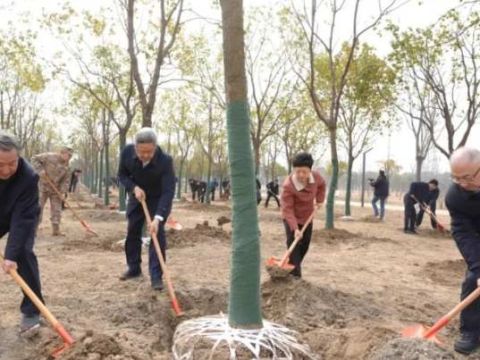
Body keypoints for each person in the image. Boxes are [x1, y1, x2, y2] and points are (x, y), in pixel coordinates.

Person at [117, 127, 175, 290]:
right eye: (141, 152)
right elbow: (122, 175)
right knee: (133, 230)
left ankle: (156, 276)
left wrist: (158, 218)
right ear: (135, 147)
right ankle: (134, 268)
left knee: (157, 234)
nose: (145, 156)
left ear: (155, 147)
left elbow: (168, 191)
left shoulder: (165, 161)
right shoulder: (127, 153)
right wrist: (134, 187)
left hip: (157, 199)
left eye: (149, 152)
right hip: (137, 196)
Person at [0, 131, 44, 332]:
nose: (7, 170)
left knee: (23, 253)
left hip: (18, 214)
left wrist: (10, 255)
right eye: (0, 164)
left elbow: (23, 219)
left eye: (12, 163)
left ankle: (32, 311)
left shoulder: (28, 177)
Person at [445, 147, 480, 355]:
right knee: (473, 279)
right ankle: (471, 332)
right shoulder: (455, 196)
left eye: (466, 177)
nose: (462, 184)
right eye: (456, 178)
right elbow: (462, 232)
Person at [281, 152, 326, 277]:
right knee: (293, 246)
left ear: (310, 171)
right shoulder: (288, 186)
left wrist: (320, 200)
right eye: (298, 171)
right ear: (294, 170)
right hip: (291, 218)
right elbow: (287, 209)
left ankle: (291, 267)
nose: (301, 175)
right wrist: (295, 228)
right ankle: (295, 277)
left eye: (304, 172)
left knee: (305, 245)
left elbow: (322, 185)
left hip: (307, 216)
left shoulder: (316, 178)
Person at [32, 147, 73, 236]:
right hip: (43, 187)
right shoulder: (49, 156)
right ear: (62, 152)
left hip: (56, 189)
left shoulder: (67, 166)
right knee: (38, 208)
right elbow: (34, 159)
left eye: (71, 156)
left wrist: (63, 191)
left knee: (57, 209)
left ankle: (56, 230)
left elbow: (66, 180)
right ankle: (33, 229)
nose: (69, 157)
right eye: (68, 155)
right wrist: (40, 170)